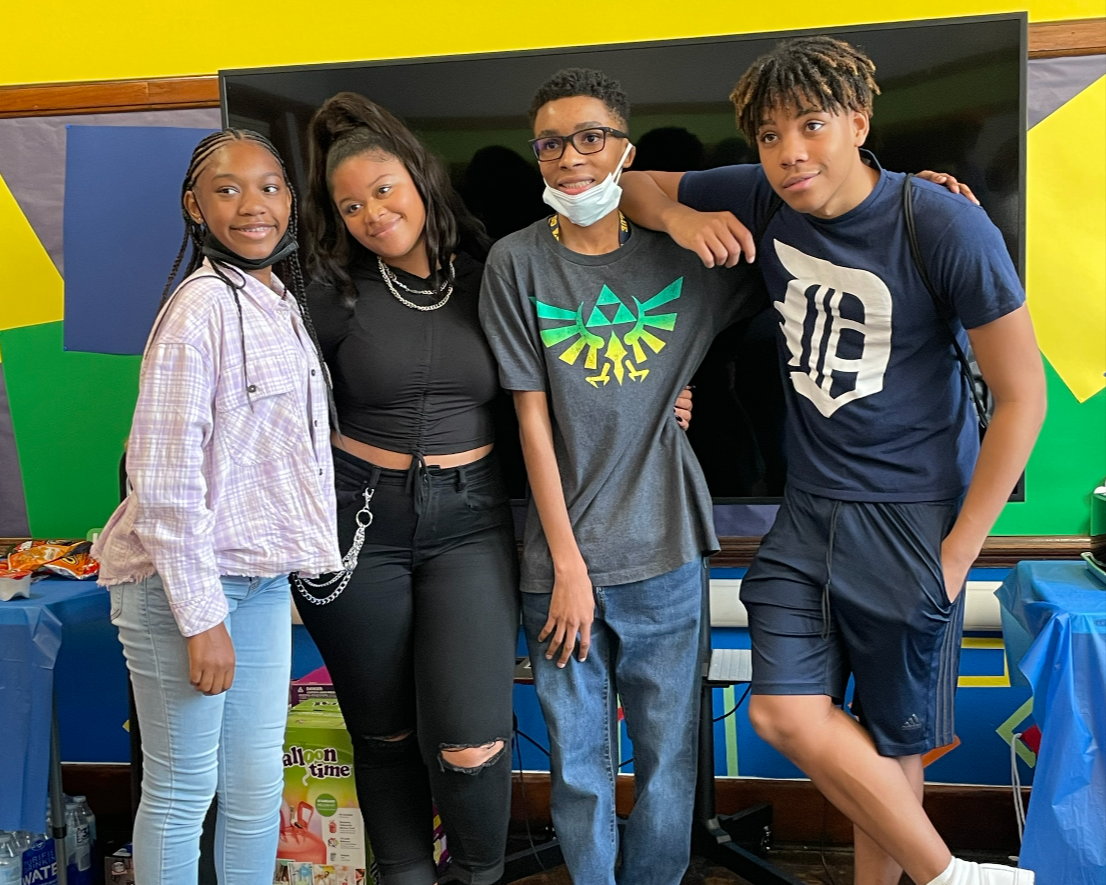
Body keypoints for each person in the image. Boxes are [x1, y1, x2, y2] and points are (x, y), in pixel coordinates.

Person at [620, 36, 1046, 885]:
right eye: (770, 136)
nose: (789, 153)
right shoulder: (760, 194)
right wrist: (681, 215)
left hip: (911, 517)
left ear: (858, 120)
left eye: (811, 125)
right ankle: (954, 875)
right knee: (783, 711)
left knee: (895, 743)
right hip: (808, 510)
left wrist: (957, 554)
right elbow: (630, 185)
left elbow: (1022, 396)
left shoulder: (944, 221)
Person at [478, 68, 767, 885]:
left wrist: (917, 191)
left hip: (667, 552)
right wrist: (567, 566)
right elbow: (532, 420)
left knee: (669, 759)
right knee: (577, 765)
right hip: (558, 562)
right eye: (552, 143)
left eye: (590, 137)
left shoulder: (688, 261)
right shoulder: (516, 264)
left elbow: (812, 229)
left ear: (624, 151)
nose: (571, 157)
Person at [92, 129, 341, 884]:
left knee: (257, 784)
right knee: (182, 787)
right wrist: (203, 620)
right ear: (193, 207)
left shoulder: (275, 299)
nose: (252, 204)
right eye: (227, 188)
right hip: (182, 589)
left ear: (292, 200)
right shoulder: (198, 309)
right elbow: (162, 483)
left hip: (258, 582)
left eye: (269, 185)